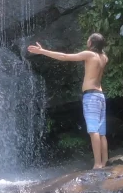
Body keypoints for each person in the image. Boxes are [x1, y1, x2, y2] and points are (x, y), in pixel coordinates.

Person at [27, 34, 109, 169]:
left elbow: (64, 57)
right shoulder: (104, 58)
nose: (86, 40)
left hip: (91, 97)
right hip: (100, 96)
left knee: (93, 130)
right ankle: (105, 161)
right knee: (101, 132)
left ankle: (97, 164)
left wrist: (42, 51)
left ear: (92, 42)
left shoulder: (89, 55)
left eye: (88, 39)